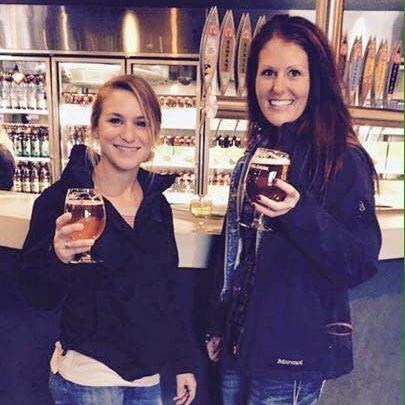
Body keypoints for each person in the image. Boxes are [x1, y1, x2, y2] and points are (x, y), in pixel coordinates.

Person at [206, 15, 381, 405]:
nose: (278, 87)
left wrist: (298, 212)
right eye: (268, 72)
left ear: (316, 81)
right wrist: (218, 324)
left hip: (291, 358)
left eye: (294, 73)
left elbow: (359, 263)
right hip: (240, 347)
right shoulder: (256, 155)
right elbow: (238, 252)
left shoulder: (343, 159)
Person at [19, 75, 196, 405]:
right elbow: (37, 296)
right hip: (89, 379)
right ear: (95, 128)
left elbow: (167, 290)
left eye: (141, 123)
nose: (128, 135)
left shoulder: (157, 204)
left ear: (154, 133)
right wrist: (56, 257)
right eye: (115, 120)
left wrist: (183, 361)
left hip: (149, 378)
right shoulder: (61, 200)